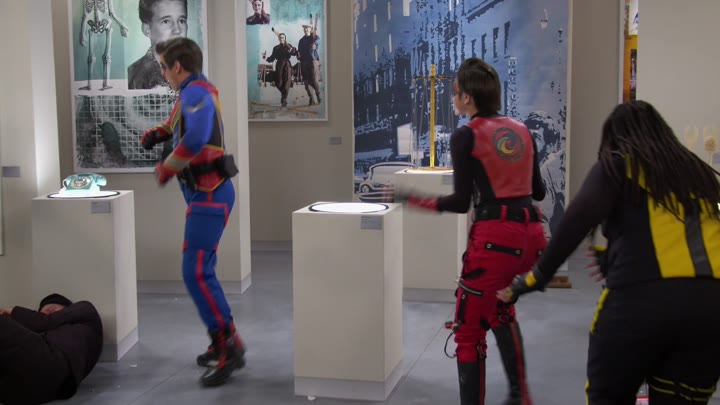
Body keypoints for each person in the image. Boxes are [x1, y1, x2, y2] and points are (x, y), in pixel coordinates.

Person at [500, 100, 720, 405]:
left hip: (640, 301)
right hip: (710, 308)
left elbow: (574, 223)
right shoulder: (701, 172)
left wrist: (533, 279)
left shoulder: (618, 163)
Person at [395, 58, 546, 405]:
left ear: (467, 97)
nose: (453, 98)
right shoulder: (522, 130)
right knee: (501, 310)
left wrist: (411, 199)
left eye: (455, 92)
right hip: (531, 238)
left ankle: (515, 397)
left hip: (495, 242)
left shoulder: (467, 136)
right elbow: (537, 191)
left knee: (468, 331)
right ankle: (520, 395)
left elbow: (461, 202)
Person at [140, 37, 245, 387]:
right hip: (204, 193)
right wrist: (158, 133)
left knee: (196, 272)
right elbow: (180, 122)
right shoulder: (192, 91)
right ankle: (226, 341)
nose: (163, 73)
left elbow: (197, 137)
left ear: (177, 66)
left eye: (164, 67)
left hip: (210, 194)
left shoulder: (196, 92)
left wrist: (167, 168)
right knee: (201, 270)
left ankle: (228, 346)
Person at [0, 294, 103, 405]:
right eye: (42, 313)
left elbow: (46, 321)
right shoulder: (49, 332)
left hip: (55, 365)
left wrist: (13, 311)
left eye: (51, 309)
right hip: (37, 388)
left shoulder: (85, 309)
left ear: (67, 308)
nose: (46, 313)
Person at [128, 0, 188, 90]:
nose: (177, 30)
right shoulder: (135, 78)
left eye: (181, 21)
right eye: (166, 21)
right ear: (147, 29)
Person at [265, 32, 297, 107]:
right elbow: (272, 58)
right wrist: (266, 58)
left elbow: (294, 53)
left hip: (287, 65)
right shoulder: (276, 48)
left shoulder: (289, 46)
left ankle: (284, 100)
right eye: (280, 37)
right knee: (279, 82)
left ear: (285, 38)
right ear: (278, 38)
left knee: (287, 82)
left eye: (283, 37)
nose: (281, 39)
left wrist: (288, 46)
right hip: (279, 65)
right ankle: (283, 95)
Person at [297, 23, 321, 105]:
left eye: (307, 28)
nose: (306, 29)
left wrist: (314, 44)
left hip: (313, 61)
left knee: (313, 80)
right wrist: (298, 55)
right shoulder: (301, 40)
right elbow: (299, 51)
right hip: (304, 62)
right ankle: (311, 98)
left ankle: (318, 96)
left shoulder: (315, 37)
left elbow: (317, 42)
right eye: (304, 28)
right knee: (306, 83)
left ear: (311, 29)